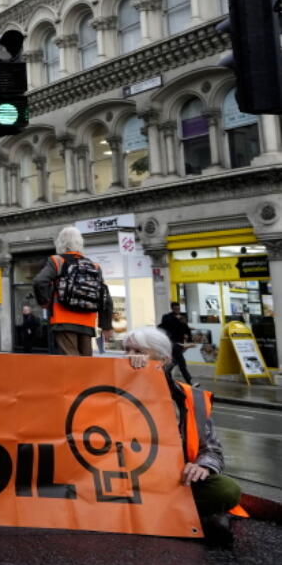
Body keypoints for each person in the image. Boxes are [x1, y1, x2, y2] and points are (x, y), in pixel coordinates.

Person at [123, 326, 241, 546]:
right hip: (125, 482)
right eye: (126, 350)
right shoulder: (111, 389)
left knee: (226, 490)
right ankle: (194, 520)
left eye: (138, 352)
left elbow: (212, 450)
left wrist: (202, 467)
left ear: (164, 360)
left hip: (173, 481)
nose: (129, 357)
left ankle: (164, 517)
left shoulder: (189, 398)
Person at [33, 226, 113, 356]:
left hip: (64, 320)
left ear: (60, 243)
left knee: (71, 363)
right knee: (85, 363)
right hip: (87, 323)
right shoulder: (94, 266)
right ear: (80, 243)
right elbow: (105, 297)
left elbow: (39, 281)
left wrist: (44, 302)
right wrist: (106, 326)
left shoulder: (57, 261)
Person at [158, 301, 197, 386]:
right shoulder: (167, 317)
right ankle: (190, 381)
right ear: (172, 308)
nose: (177, 310)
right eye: (175, 309)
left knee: (174, 362)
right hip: (171, 343)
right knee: (181, 361)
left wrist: (190, 339)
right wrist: (177, 319)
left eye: (178, 308)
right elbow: (166, 324)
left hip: (179, 343)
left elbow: (186, 329)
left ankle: (164, 376)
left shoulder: (182, 317)